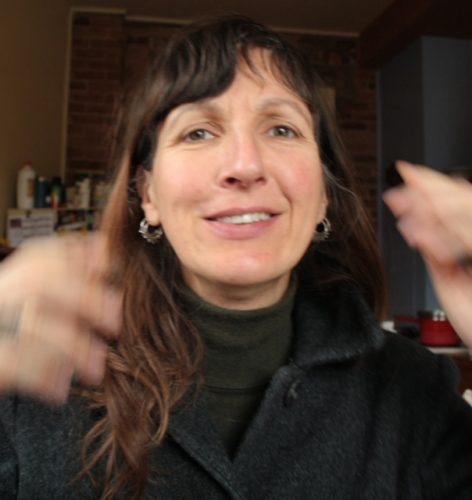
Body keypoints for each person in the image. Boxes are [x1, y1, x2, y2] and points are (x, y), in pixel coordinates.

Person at [0, 15, 471, 500]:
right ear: (149, 195)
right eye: (198, 133)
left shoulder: (415, 389)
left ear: (324, 196)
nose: (245, 165)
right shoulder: (34, 379)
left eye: (282, 129)